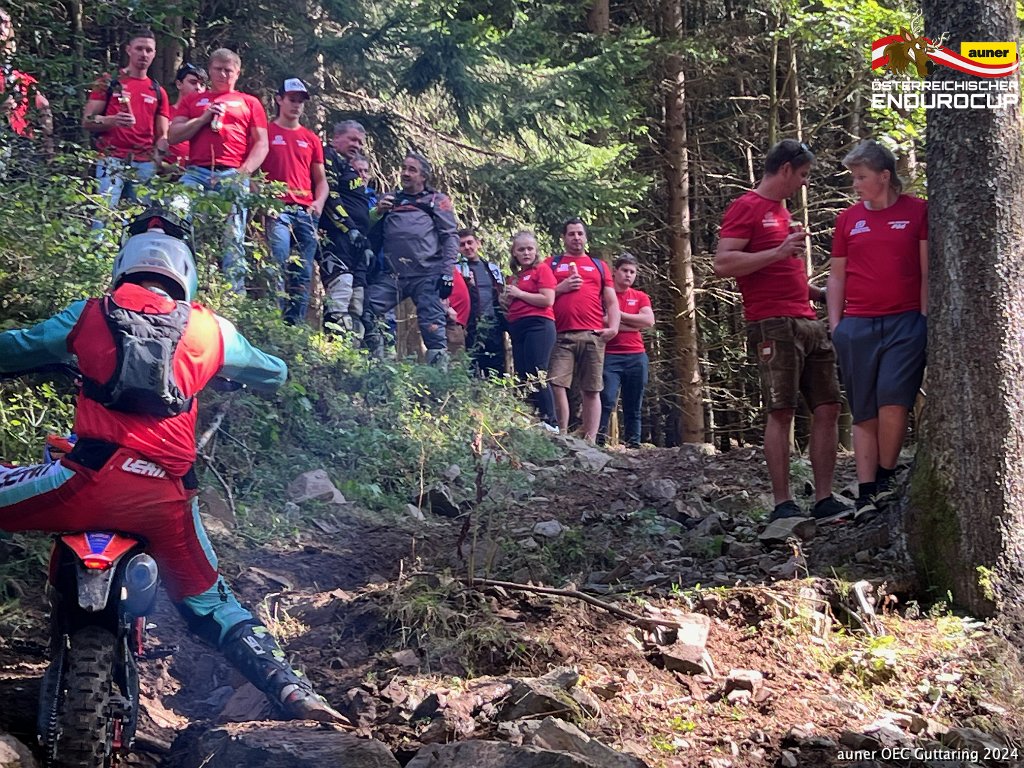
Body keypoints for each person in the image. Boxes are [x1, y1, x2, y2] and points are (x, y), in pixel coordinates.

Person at [0, 208, 347, 724]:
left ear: (123, 267)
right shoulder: (211, 329)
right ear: (185, 274)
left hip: (83, 484)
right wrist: (225, 372)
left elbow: (14, 348)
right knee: (213, 601)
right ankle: (291, 688)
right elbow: (275, 373)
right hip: (165, 501)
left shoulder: (88, 314)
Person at [713, 139, 847, 523]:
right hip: (772, 323)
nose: (804, 182)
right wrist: (777, 252)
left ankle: (824, 499)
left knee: (829, 406)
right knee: (782, 409)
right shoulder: (747, 206)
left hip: (808, 320)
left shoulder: (783, 211)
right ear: (785, 168)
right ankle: (782, 503)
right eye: (803, 174)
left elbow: (784, 272)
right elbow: (723, 263)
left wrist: (820, 294)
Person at [827, 140, 927, 522]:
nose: (855, 184)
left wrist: (923, 319)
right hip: (857, 325)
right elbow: (837, 276)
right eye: (854, 177)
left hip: (905, 323)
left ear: (884, 176)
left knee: (893, 403)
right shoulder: (848, 219)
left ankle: (886, 476)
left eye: (861, 177)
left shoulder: (917, 211)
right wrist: (837, 326)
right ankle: (866, 492)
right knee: (864, 410)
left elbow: (927, 271)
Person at [168, 48, 269, 293]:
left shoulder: (249, 102)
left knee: (233, 234)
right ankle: (180, 281)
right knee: (178, 214)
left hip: (232, 173)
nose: (223, 75)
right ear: (210, 70)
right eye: (218, 69)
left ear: (238, 73)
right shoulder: (194, 100)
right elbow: (173, 135)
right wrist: (202, 119)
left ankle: (234, 293)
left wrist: (244, 172)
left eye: (228, 70)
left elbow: (262, 144)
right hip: (196, 172)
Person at [364, 152, 458, 366]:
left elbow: (450, 236)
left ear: (423, 176)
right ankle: (378, 363)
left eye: (412, 170)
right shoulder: (389, 199)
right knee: (366, 308)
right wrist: (379, 211)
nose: (405, 173)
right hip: (393, 275)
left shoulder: (437, 200)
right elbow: (369, 231)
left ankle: (438, 378)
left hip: (427, 275)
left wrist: (447, 274)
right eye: (404, 168)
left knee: (433, 328)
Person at [260, 78, 327, 324]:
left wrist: (319, 203)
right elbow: (253, 172)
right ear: (279, 99)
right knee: (277, 263)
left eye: (300, 101)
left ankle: (294, 327)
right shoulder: (266, 132)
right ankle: (274, 323)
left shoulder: (311, 138)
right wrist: (263, 200)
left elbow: (321, 180)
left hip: (306, 211)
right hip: (277, 209)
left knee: (303, 272)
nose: (296, 105)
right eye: (292, 99)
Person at [546, 217, 619, 442]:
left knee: (592, 389)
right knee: (556, 382)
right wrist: (561, 287)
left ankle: (590, 440)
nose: (576, 238)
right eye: (571, 234)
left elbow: (611, 301)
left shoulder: (599, 266)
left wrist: (614, 327)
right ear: (563, 237)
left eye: (580, 233)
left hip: (593, 334)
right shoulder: (552, 264)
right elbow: (542, 295)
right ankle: (562, 434)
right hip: (561, 334)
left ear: (586, 237)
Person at [82, 28, 170, 213]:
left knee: (141, 219)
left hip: (144, 163)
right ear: (129, 50)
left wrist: (157, 160)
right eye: (139, 48)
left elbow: (163, 134)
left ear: (154, 54)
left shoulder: (157, 91)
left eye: (148, 50)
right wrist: (112, 120)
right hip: (111, 159)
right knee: (105, 215)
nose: (144, 54)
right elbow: (87, 120)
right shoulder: (109, 82)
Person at [319, 120, 373, 335]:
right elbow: (330, 195)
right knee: (341, 289)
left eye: (360, 142)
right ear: (336, 138)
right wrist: (349, 227)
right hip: (337, 237)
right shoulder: (329, 156)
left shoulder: (349, 166)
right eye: (352, 139)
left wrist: (364, 241)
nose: (357, 145)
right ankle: (333, 347)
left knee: (357, 300)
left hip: (356, 242)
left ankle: (352, 350)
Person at [502, 230, 558, 431]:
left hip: (539, 325)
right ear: (514, 253)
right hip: (518, 327)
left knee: (537, 371)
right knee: (522, 372)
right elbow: (511, 303)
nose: (526, 253)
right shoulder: (514, 277)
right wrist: (506, 299)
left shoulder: (542, 270)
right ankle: (533, 417)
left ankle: (551, 420)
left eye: (530, 249)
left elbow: (547, 299)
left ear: (536, 251)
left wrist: (520, 294)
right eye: (521, 249)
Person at [598, 253, 654, 448]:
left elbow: (648, 321)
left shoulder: (640, 296)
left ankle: (633, 445)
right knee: (606, 399)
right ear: (615, 272)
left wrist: (617, 315)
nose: (628, 275)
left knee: (634, 404)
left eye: (632, 272)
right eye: (624, 270)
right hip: (610, 355)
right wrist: (632, 323)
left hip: (636, 356)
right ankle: (598, 441)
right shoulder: (604, 295)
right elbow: (600, 322)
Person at [0, 5, 53, 172]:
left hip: (22, 143)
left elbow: (42, 105)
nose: (1, 28)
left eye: (5, 23)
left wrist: (48, 142)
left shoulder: (21, 75)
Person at [457, 228, 507, 377]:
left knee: (497, 371)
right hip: (470, 328)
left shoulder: (492, 268)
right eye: (462, 244)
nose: (467, 247)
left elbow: (501, 295)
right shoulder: (456, 270)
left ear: (478, 243)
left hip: (494, 326)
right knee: (472, 370)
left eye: (470, 242)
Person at [164, 63, 207, 171]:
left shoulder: (208, 116)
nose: (198, 88)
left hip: (199, 172)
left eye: (202, 84)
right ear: (179, 84)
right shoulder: (165, 112)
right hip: (165, 171)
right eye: (193, 82)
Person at [445, 267, 471, 357]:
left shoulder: (450, 265)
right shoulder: (438, 264)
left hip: (459, 323)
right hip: (451, 322)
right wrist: (445, 308)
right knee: (455, 360)